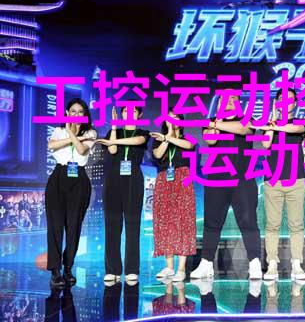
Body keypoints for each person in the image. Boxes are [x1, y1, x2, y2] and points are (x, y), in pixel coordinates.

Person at [191, 89, 262, 280]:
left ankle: (254, 263)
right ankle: (206, 263)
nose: (229, 101)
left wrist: (215, 124)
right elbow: (210, 139)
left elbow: (243, 129)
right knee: (212, 221)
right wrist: (215, 122)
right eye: (225, 98)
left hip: (243, 178)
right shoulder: (212, 120)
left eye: (233, 98)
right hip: (217, 177)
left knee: (248, 221)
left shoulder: (247, 119)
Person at [46, 98, 97, 287]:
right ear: (67, 113)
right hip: (58, 177)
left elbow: (82, 150)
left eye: (80, 112)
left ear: (85, 115)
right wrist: (69, 132)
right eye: (73, 111)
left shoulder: (90, 133)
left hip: (79, 180)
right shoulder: (58, 130)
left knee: (74, 226)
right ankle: (55, 270)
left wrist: (74, 134)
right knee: (55, 226)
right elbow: (52, 145)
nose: (76, 114)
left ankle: (68, 268)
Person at [96, 106, 150, 284]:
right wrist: (113, 127)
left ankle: (132, 270)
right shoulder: (115, 132)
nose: (129, 114)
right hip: (114, 178)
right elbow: (112, 151)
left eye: (133, 111)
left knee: (133, 225)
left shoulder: (142, 133)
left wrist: (115, 141)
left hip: (133, 178)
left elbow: (138, 141)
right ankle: (112, 270)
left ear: (139, 115)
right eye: (125, 111)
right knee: (112, 225)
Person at [260, 88, 305, 282]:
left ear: (295, 103)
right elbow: (265, 144)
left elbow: (295, 130)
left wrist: (276, 125)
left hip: (296, 178)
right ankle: (272, 263)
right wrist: (271, 122)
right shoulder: (269, 123)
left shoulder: (300, 122)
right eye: (281, 99)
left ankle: (297, 264)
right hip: (273, 179)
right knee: (272, 225)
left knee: (296, 224)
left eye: (290, 99)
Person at [151, 109, 197, 282]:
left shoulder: (188, 138)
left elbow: (189, 146)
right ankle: (169, 267)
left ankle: (181, 268)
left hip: (183, 179)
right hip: (164, 180)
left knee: (184, 221)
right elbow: (158, 154)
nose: (173, 120)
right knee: (165, 221)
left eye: (176, 117)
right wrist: (166, 137)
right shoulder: (158, 140)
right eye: (169, 117)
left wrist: (169, 137)